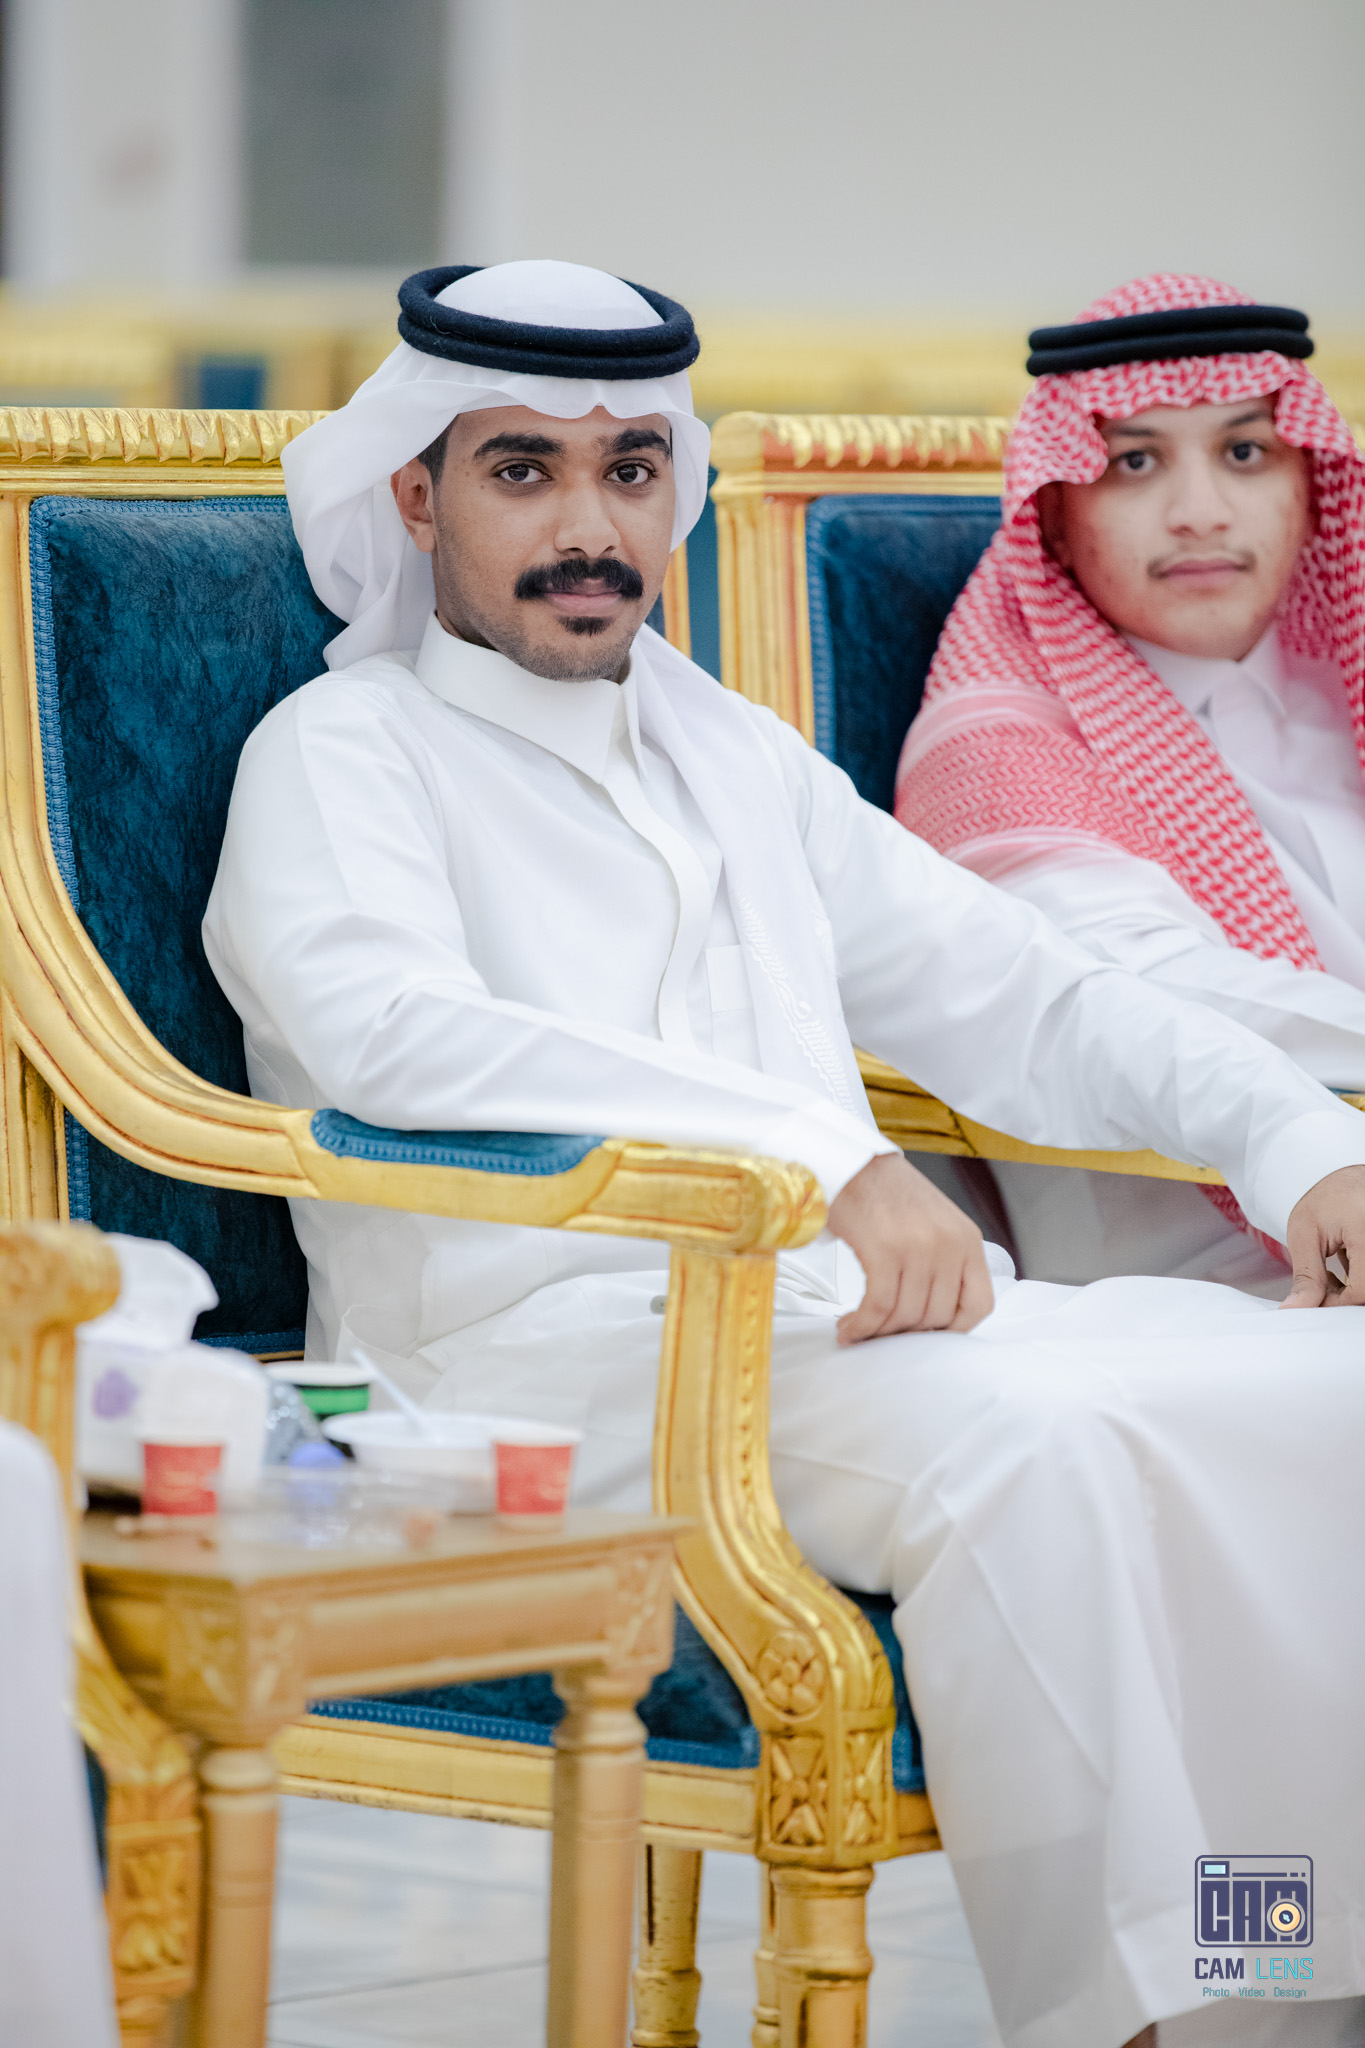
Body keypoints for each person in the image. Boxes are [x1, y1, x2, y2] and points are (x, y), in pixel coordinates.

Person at [204, 261, 1365, 2048]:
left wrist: (1293, 1143)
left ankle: (1274, 1979)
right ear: (416, 499)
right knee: (1036, 1438)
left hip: (825, 1331)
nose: (588, 527)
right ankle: (1147, 2022)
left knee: (1323, 1378)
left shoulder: (728, 752)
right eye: (521, 471)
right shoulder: (345, 750)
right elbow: (397, 1036)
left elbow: (1030, 993)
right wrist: (815, 1151)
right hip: (523, 1359)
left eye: (630, 470)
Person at [896, 273, 1365, 1298]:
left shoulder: (1345, 679)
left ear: (1310, 481)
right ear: (1057, 511)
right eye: (1134, 462)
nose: (1199, 513)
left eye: (1245, 453)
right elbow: (1144, 991)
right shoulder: (993, 739)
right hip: (1204, 1287)